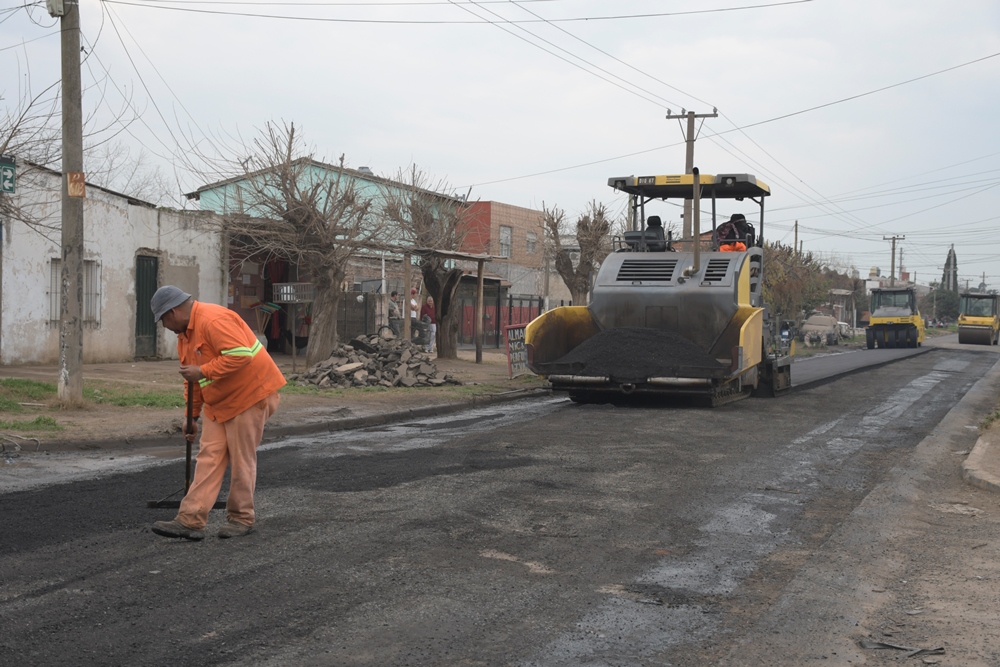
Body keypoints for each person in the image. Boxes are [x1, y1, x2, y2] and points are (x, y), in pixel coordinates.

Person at [149, 285, 286, 541]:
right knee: (209, 457)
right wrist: (191, 416)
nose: (164, 326)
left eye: (163, 319)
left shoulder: (213, 319)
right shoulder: (185, 336)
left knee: (241, 458)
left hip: (250, 394)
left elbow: (240, 355)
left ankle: (241, 518)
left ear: (174, 311)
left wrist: (203, 371)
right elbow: (191, 379)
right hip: (219, 400)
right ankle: (191, 520)